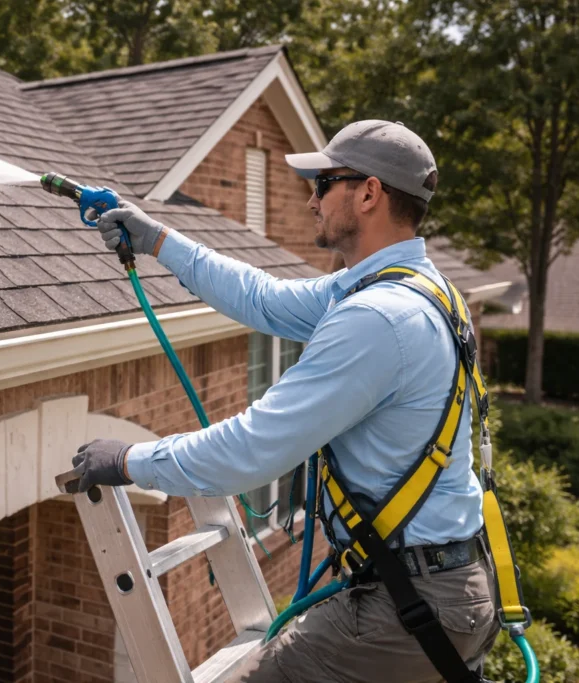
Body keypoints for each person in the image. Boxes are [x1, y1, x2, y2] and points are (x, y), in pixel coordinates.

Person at [70, 121, 501, 682]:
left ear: (368, 193)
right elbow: (266, 300)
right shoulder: (418, 289)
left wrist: (128, 461)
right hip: (443, 586)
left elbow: (252, 451)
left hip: (412, 605)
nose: (310, 198)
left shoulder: (376, 319)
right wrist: (158, 240)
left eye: (324, 183)